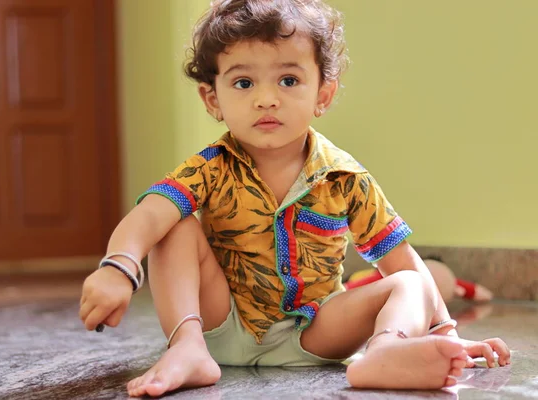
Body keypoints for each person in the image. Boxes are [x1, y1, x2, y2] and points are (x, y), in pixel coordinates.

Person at [79, 0, 511, 397]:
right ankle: (187, 348)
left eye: (289, 79)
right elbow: (148, 214)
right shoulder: (208, 168)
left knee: (415, 280)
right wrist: (119, 267)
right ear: (213, 98)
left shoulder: (345, 177)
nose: (267, 99)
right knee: (172, 220)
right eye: (244, 82)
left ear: (322, 93)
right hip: (220, 324)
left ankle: (383, 352)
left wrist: (446, 334)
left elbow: (399, 259)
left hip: (317, 333)